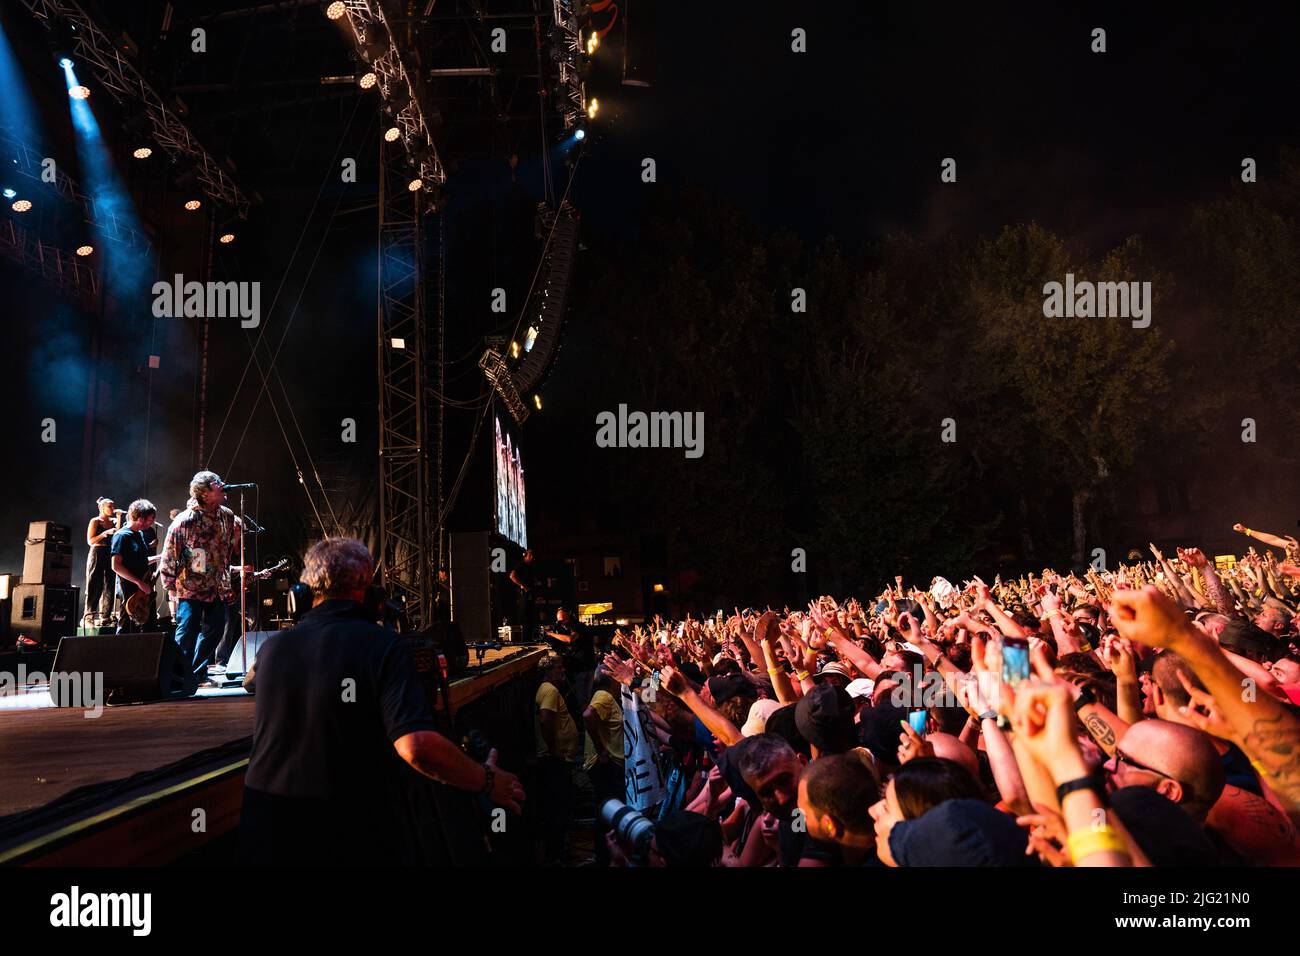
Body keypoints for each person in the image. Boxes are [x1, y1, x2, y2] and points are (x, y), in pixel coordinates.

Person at [239, 537, 524, 866]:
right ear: (368, 590)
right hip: (345, 837)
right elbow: (416, 746)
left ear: (304, 592)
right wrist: (487, 780)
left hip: (264, 832)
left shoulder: (272, 649)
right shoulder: (383, 646)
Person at [159, 472, 240, 692]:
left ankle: (195, 674)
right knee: (187, 633)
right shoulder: (185, 520)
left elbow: (224, 553)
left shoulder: (228, 515)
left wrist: (227, 583)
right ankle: (177, 677)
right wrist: (170, 586)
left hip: (216, 587)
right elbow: (170, 552)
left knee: (214, 631)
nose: (222, 484)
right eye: (216, 483)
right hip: (190, 587)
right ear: (204, 492)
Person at [535, 652, 579, 865]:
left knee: (559, 807)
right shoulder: (550, 690)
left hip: (558, 759)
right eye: (559, 667)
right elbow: (545, 721)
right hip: (555, 760)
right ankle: (557, 855)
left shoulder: (549, 690)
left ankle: (558, 852)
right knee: (558, 809)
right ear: (549, 670)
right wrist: (554, 750)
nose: (563, 671)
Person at [583, 666, 625, 865]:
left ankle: (605, 855)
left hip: (608, 766)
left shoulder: (607, 697)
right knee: (608, 816)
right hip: (606, 766)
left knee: (607, 815)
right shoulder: (604, 696)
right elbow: (588, 715)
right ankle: (606, 857)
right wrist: (601, 750)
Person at [110, 499, 158, 634]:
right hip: (129, 589)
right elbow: (116, 566)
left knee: (148, 627)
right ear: (137, 517)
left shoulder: (140, 534)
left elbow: (141, 561)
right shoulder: (121, 536)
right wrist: (138, 582)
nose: (151, 523)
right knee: (126, 628)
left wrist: (161, 557)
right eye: (148, 519)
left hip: (144, 589)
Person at [84, 497, 120, 627]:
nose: (112, 509)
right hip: (97, 552)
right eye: (110, 507)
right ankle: (89, 616)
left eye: (113, 506)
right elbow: (91, 541)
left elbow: (119, 534)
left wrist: (120, 518)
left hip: (110, 553)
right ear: (102, 508)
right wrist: (105, 533)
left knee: (109, 585)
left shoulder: (115, 521)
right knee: (94, 584)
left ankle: (105, 615)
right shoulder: (95, 521)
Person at [508, 549, 536, 636]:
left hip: (529, 593)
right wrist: (522, 585)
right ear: (525, 556)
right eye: (530, 555)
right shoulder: (521, 565)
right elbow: (512, 576)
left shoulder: (530, 566)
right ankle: (522, 636)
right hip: (522, 593)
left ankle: (529, 636)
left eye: (533, 555)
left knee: (529, 615)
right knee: (523, 614)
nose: (532, 557)